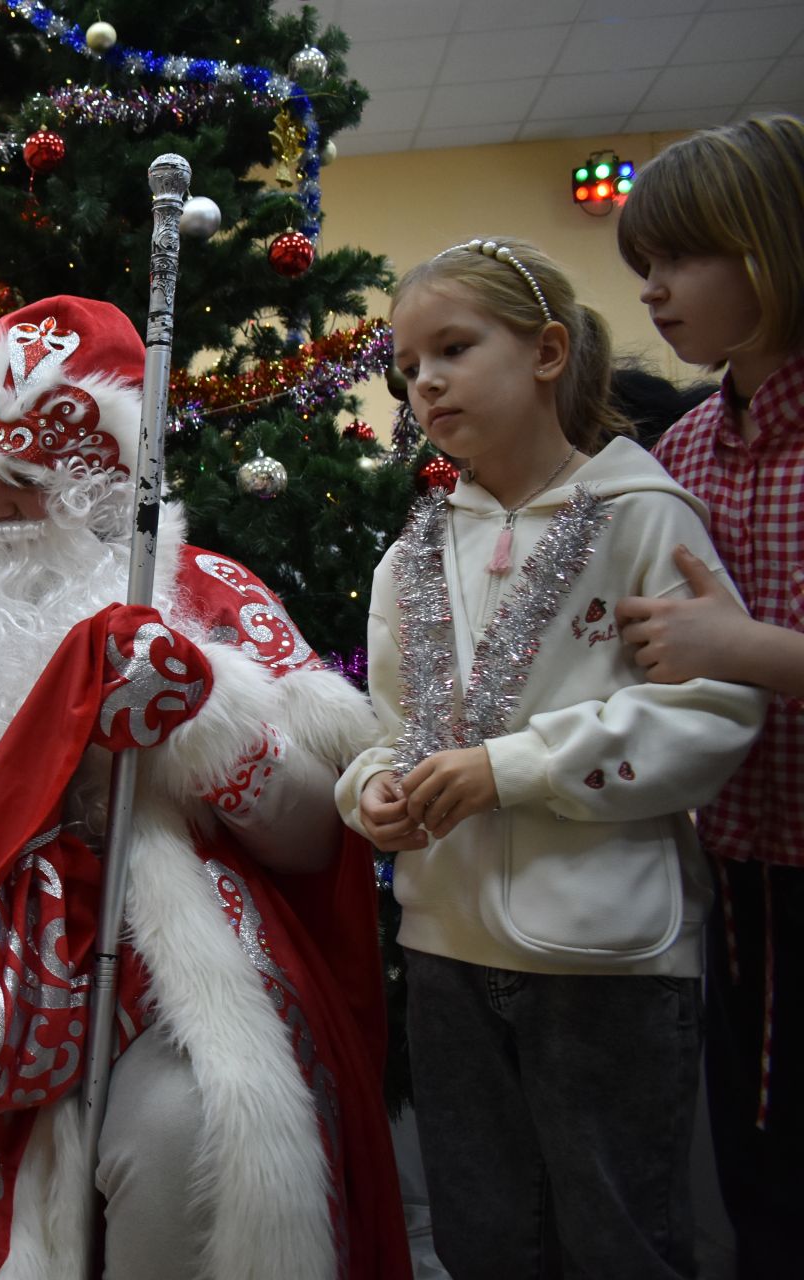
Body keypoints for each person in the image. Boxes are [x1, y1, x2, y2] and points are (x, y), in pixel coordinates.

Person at [0, 296, 408, 1279]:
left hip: (157, 958)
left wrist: (200, 729)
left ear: (98, 485)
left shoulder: (205, 596)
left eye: (24, 480)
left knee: (187, 1138)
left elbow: (319, 839)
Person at [339, 235, 768, 1280]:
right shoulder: (415, 548)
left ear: (545, 352)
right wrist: (372, 791)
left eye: (452, 347)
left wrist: (511, 767)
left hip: (606, 961)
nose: (425, 381)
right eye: (407, 366)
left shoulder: (643, 514)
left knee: (617, 1239)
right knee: (487, 1238)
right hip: (446, 954)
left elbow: (709, 711)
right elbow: (386, 723)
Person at [611, 115, 804, 1280]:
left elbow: (718, 645)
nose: (655, 293)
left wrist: (741, 646)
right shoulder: (683, 451)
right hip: (739, 880)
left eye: (681, 260)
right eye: (644, 268)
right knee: (756, 1168)